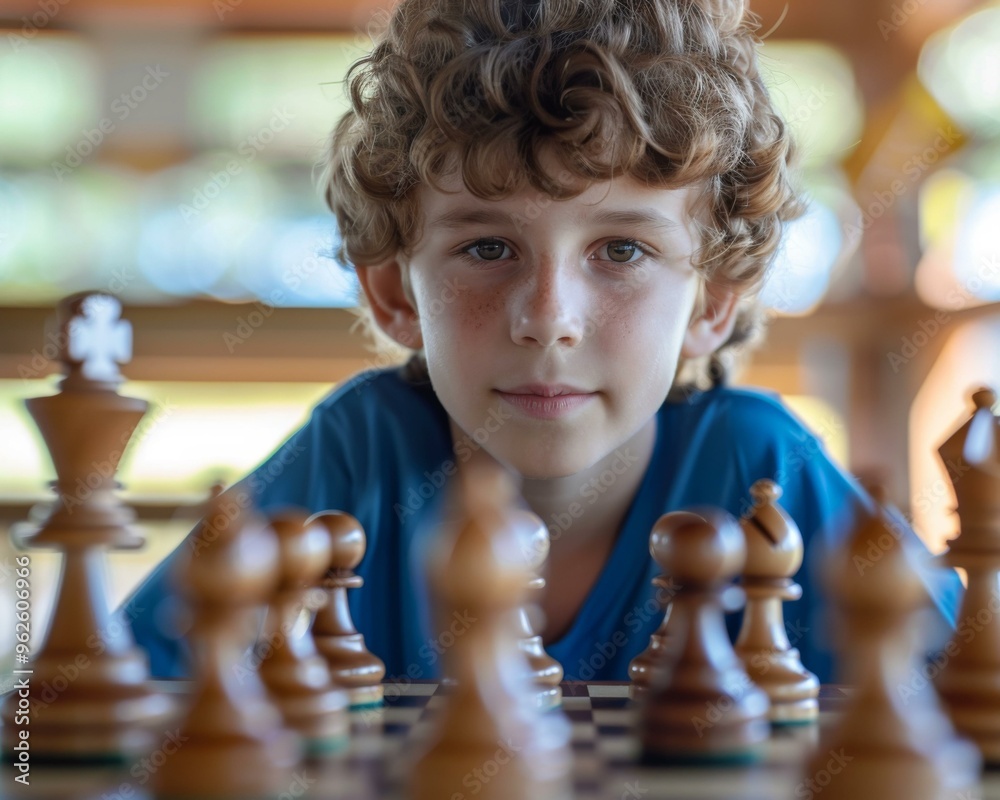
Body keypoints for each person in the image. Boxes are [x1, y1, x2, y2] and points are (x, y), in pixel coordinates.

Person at [125, 0, 961, 685]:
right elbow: (79, 705)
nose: (547, 317)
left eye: (622, 250)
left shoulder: (760, 471)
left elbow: (967, 694)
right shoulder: (358, 460)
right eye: (487, 248)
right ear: (393, 291)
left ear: (713, 299)